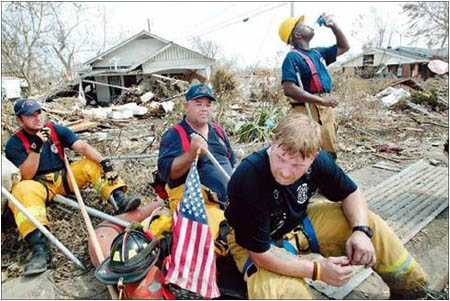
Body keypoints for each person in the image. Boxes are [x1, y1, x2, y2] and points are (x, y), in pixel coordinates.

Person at [224, 113, 428, 299]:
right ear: (274, 142)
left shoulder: (320, 162)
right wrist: (318, 271)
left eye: (297, 165)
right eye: (280, 159)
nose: (285, 172)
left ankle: (414, 292)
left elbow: (351, 193)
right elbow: (261, 255)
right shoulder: (248, 178)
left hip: (297, 224)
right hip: (254, 245)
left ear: (313, 158)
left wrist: (361, 232)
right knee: (286, 293)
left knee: (370, 224)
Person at [5, 99, 141, 276]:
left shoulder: (55, 130)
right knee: (21, 190)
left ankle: (119, 200)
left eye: (39, 112)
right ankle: (40, 249)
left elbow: (82, 146)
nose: (37, 118)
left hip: (64, 177)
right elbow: (26, 176)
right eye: (30, 115)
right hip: (39, 184)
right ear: (20, 120)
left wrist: (104, 162)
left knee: (89, 164)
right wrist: (36, 147)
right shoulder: (14, 144)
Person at [157, 83, 236, 254]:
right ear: (186, 107)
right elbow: (167, 173)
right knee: (221, 240)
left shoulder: (219, 132)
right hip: (199, 204)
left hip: (228, 202)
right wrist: (192, 154)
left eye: (208, 105)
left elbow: (231, 160)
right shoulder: (175, 134)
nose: (204, 109)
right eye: (198, 104)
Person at [279, 13, 350, 160]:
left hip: (325, 108)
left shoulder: (318, 53)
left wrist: (333, 25)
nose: (308, 25)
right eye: (302, 25)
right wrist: (321, 101)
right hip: (306, 109)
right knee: (309, 149)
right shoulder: (293, 57)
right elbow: (289, 88)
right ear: (298, 34)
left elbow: (344, 46)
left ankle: (328, 177)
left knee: (329, 148)